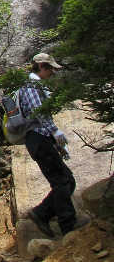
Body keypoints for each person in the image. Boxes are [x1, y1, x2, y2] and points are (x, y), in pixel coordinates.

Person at [19, 53, 83, 237]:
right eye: (50, 68)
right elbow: (40, 113)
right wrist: (55, 131)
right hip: (38, 139)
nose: (53, 72)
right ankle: (68, 227)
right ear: (41, 66)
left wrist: (56, 141)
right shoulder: (31, 85)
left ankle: (41, 213)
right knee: (62, 181)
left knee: (68, 181)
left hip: (42, 140)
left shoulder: (36, 85)